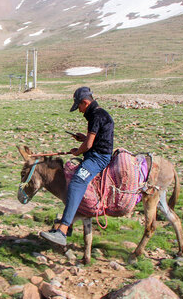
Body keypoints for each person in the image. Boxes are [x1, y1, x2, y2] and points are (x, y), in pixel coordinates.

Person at [40, 86, 114, 246]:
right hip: (96, 154)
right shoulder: (99, 114)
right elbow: (95, 138)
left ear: (85, 102)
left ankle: (62, 231)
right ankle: (69, 224)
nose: (80, 111)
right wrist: (83, 138)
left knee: (76, 184)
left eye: (79, 107)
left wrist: (77, 151)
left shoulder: (96, 115)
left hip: (98, 158)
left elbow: (89, 145)